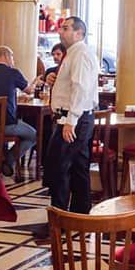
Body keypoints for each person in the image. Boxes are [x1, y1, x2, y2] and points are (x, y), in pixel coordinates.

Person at [44, 16, 99, 215]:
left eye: (65, 28)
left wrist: (71, 121)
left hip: (73, 119)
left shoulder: (81, 53)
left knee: (60, 169)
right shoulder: (72, 54)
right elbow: (72, 85)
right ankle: (80, 213)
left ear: (78, 33)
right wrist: (54, 81)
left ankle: (58, 219)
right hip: (74, 117)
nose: (60, 31)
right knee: (77, 168)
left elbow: (80, 88)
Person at [0, 46, 37, 177]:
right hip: (7, 125)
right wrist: (35, 83)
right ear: (6, 56)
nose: (13, 60)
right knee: (33, 135)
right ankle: (8, 160)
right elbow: (29, 90)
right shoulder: (13, 73)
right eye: (12, 57)